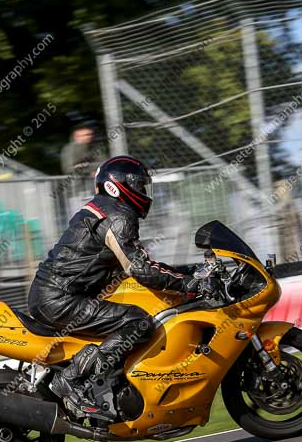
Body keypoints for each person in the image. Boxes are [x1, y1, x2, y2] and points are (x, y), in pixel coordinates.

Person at [28, 156, 201, 415]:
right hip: (61, 300)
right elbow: (141, 270)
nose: (143, 192)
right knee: (138, 323)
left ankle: (104, 385)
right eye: (139, 186)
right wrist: (190, 285)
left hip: (53, 296)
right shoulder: (118, 217)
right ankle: (72, 379)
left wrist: (189, 271)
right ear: (118, 186)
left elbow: (140, 264)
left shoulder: (101, 209)